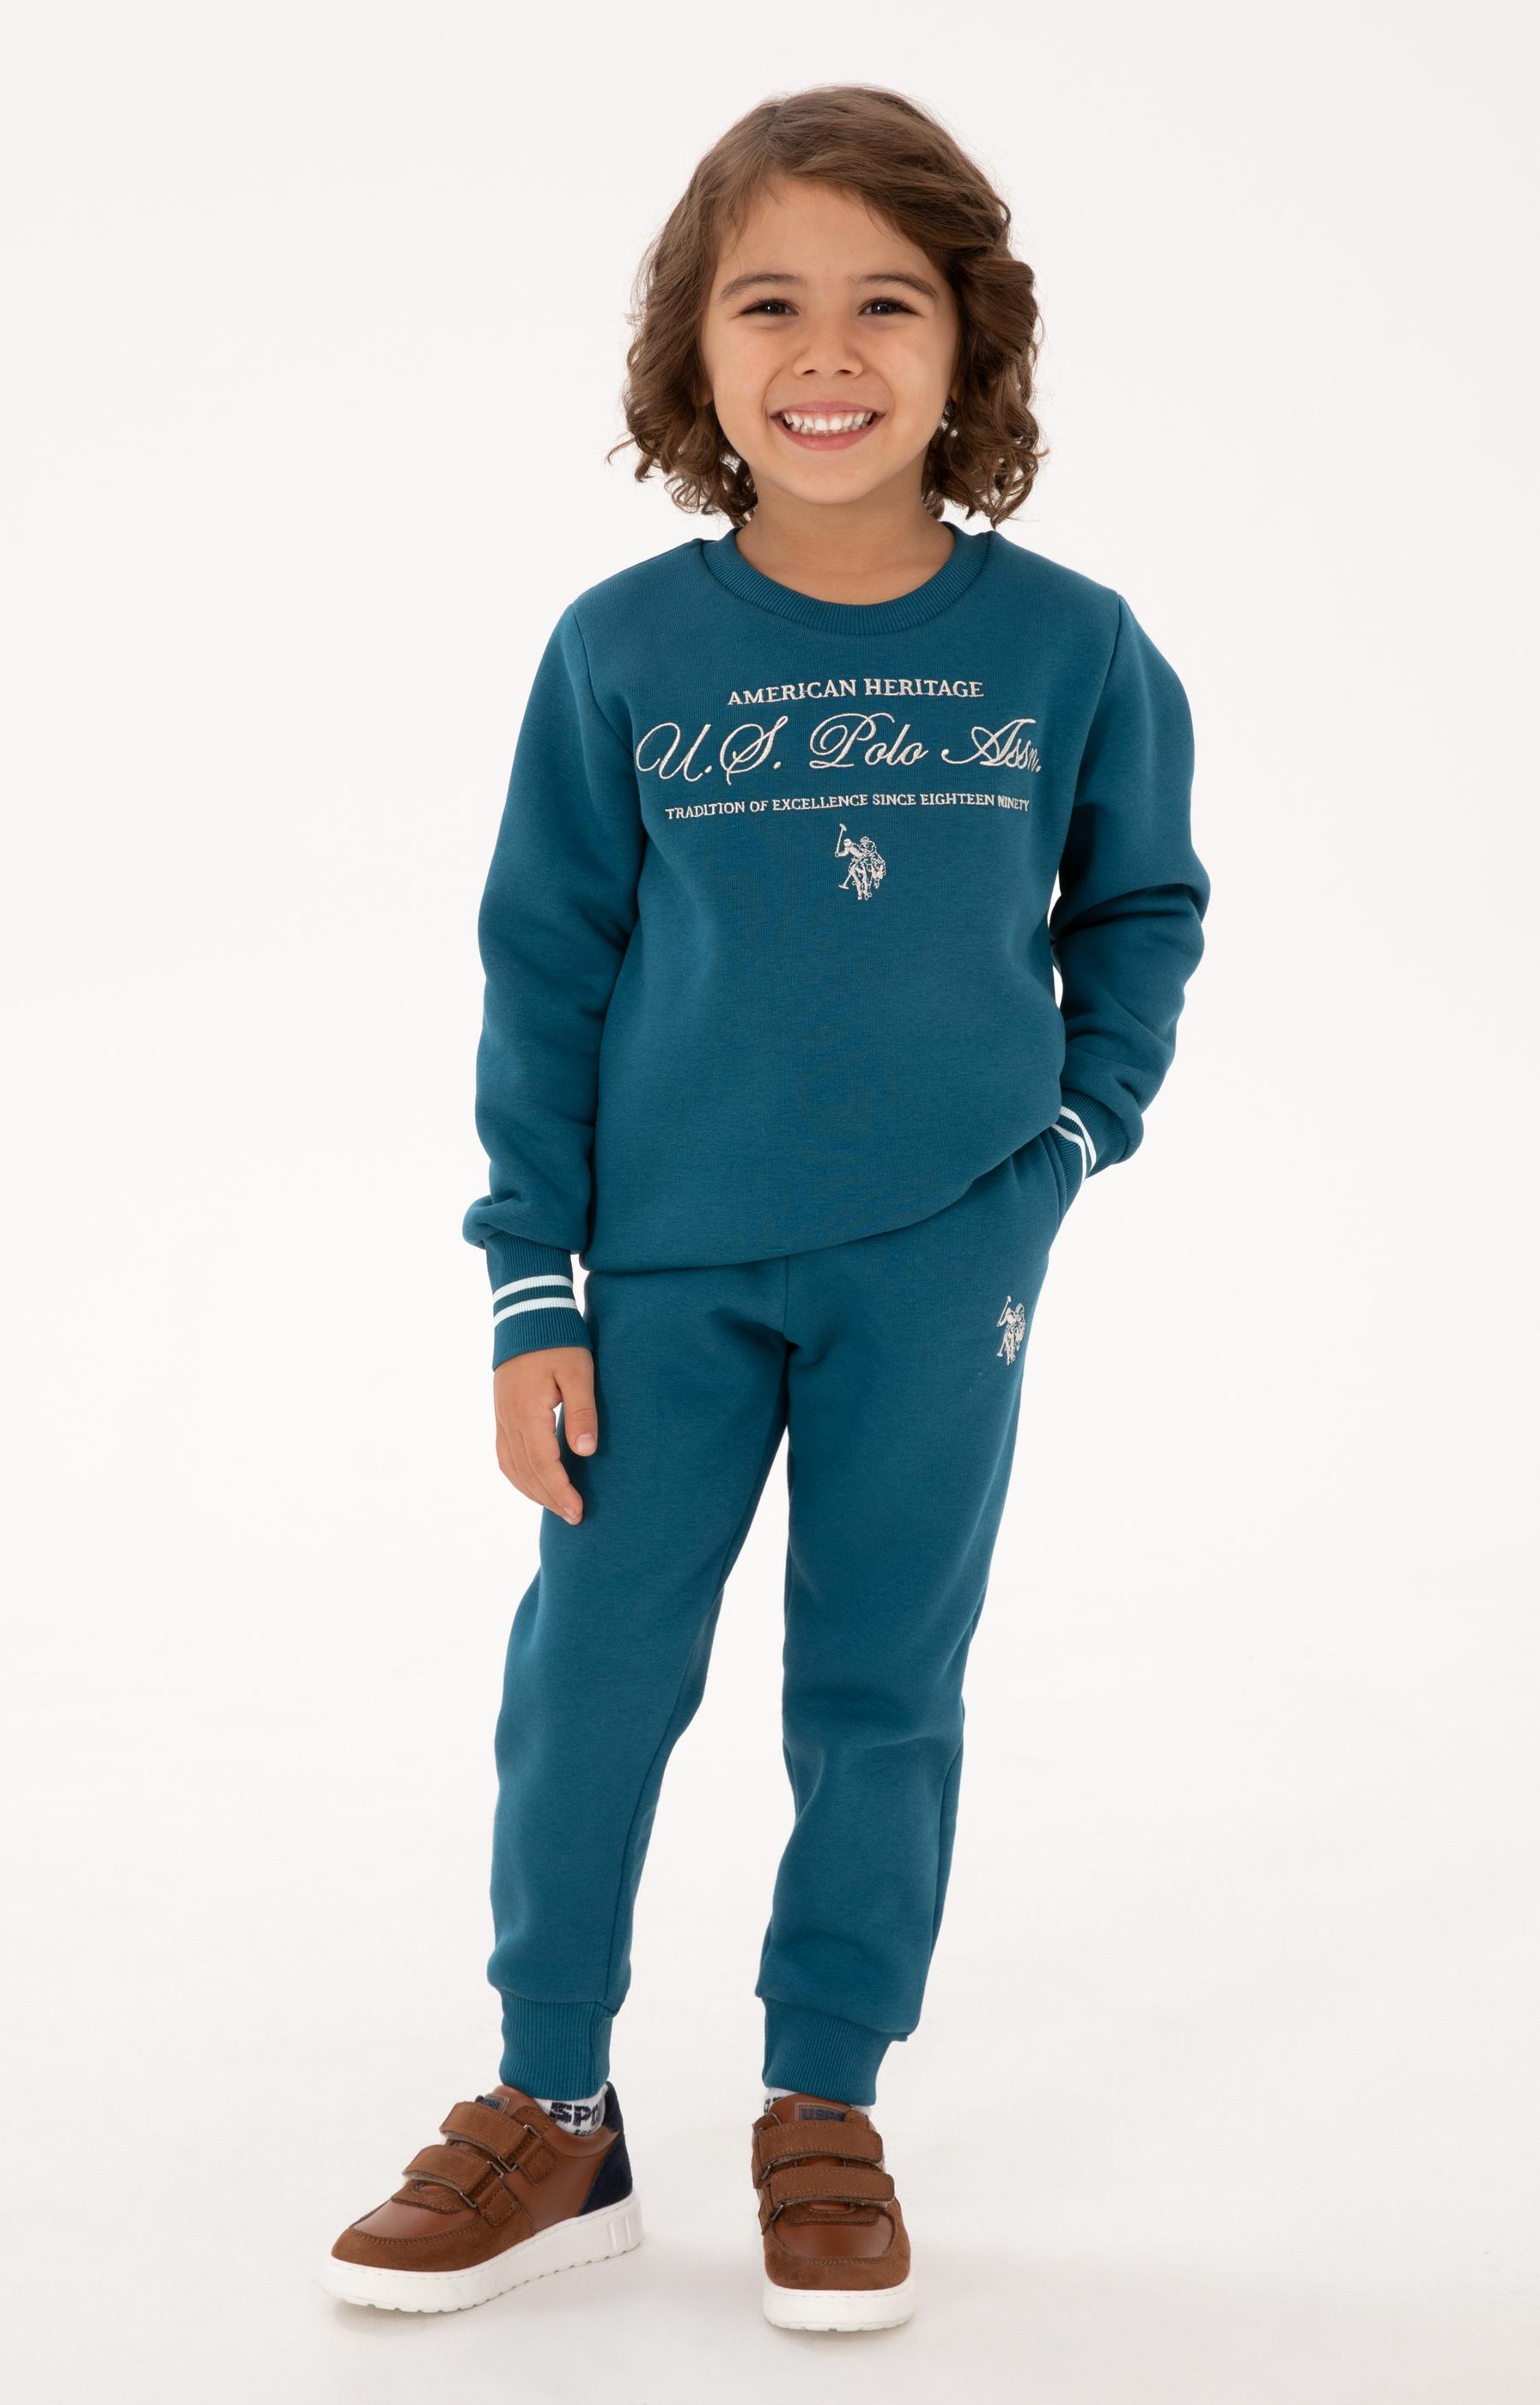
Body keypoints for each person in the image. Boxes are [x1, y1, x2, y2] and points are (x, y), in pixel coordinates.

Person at [325, 82, 1208, 2334]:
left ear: (968, 341)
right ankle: (555, 2110)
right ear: (693, 352)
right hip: (658, 1271)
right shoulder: (620, 649)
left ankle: (826, 2099)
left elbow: (1141, 905)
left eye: (886, 303)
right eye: (768, 304)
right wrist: (530, 1288)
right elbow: (543, 966)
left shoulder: (1074, 645)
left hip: (948, 1259)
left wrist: (1071, 1139)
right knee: (593, 1676)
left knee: (883, 1683)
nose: (828, 353)